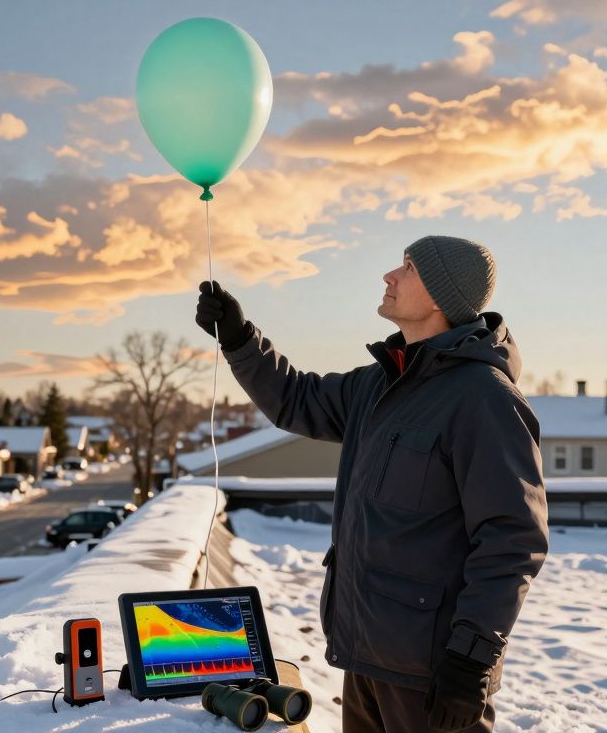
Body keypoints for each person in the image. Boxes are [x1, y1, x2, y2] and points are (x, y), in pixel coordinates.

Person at [195, 236, 548, 732]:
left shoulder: (484, 400)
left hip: (434, 675)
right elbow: (296, 400)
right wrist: (238, 338)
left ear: (443, 297)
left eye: (408, 268)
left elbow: (513, 541)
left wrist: (471, 660)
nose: (389, 276)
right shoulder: (378, 384)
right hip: (366, 656)